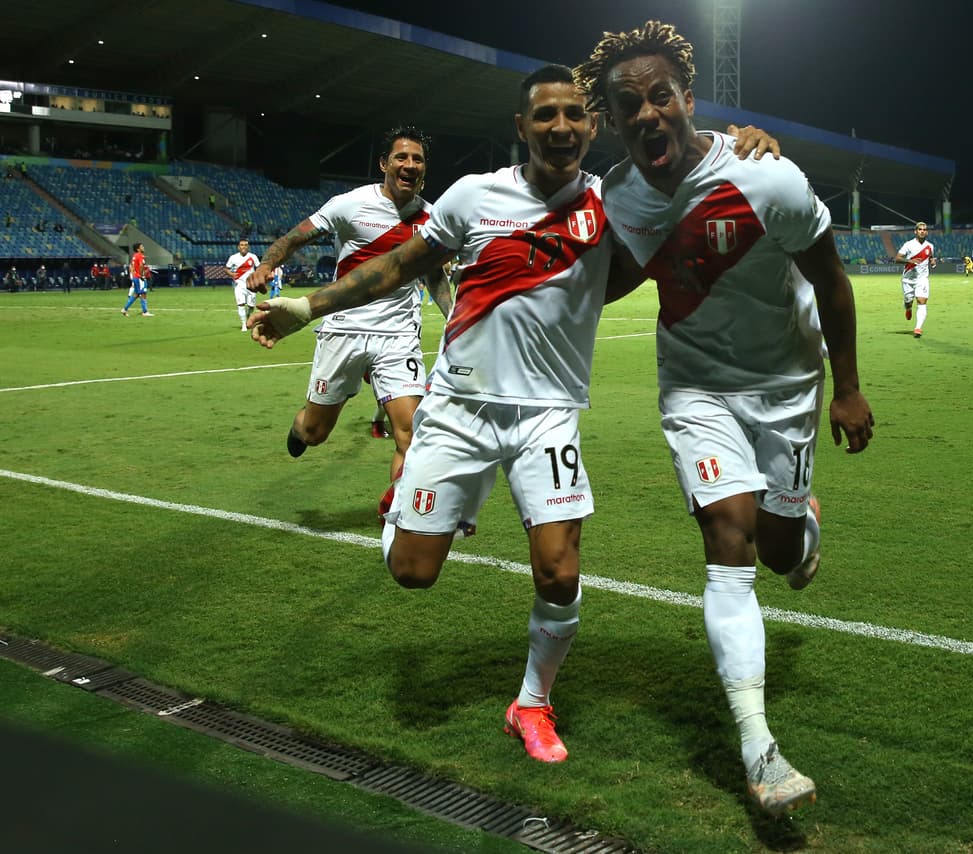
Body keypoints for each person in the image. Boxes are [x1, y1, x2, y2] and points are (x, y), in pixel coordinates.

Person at [246, 65, 778, 766]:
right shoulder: (473, 196)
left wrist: (742, 140)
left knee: (559, 573)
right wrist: (305, 306)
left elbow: (684, 158)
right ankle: (407, 510)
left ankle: (531, 703)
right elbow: (402, 264)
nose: (561, 127)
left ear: (593, 126)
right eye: (545, 116)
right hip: (460, 410)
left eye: (574, 116)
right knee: (412, 572)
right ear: (522, 128)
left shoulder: (614, 200)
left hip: (548, 416)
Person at [575, 20, 874, 816]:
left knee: (777, 553)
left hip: (786, 385)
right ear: (612, 120)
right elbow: (615, 281)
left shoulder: (766, 177)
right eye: (628, 105)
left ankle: (801, 520)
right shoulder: (620, 198)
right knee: (727, 539)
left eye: (660, 97)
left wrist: (846, 387)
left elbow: (833, 280)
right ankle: (759, 748)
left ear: (686, 100)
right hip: (695, 387)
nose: (647, 115)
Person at [243, 125, 452, 485]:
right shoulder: (350, 204)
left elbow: (433, 275)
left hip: (398, 334)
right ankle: (301, 427)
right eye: (401, 157)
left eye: (418, 159)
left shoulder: (432, 218)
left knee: (410, 435)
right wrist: (266, 264)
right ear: (385, 163)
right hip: (343, 329)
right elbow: (295, 237)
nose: (410, 164)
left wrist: (456, 317)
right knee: (316, 432)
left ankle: (400, 522)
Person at [893, 222, 936, 338]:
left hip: (922, 279)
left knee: (922, 301)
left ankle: (918, 328)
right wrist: (910, 261)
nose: (922, 231)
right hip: (908, 279)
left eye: (924, 229)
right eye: (920, 229)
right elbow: (897, 258)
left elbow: (930, 256)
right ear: (915, 231)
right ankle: (908, 307)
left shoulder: (930, 246)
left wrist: (932, 261)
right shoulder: (908, 245)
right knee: (908, 301)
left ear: (926, 232)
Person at [226, 238, 260, 331]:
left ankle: (248, 315)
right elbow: (226, 268)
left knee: (251, 306)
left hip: (251, 285)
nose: (243, 246)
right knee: (240, 304)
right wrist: (231, 274)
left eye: (245, 245)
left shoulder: (253, 257)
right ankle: (244, 325)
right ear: (238, 247)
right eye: (242, 245)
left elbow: (259, 268)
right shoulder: (233, 257)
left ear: (248, 246)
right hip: (239, 285)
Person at [120, 244, 153, 316]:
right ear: (138, 249)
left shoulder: (135, 256)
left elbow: (135, 266)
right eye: (142, 247)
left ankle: (124, 309)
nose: (143, 247)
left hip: (136, 277)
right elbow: (141, 265)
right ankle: (145, 312)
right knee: (143, 293)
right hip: (139, 277)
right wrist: (142, 275)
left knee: (136, 294)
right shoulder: (140, 255)